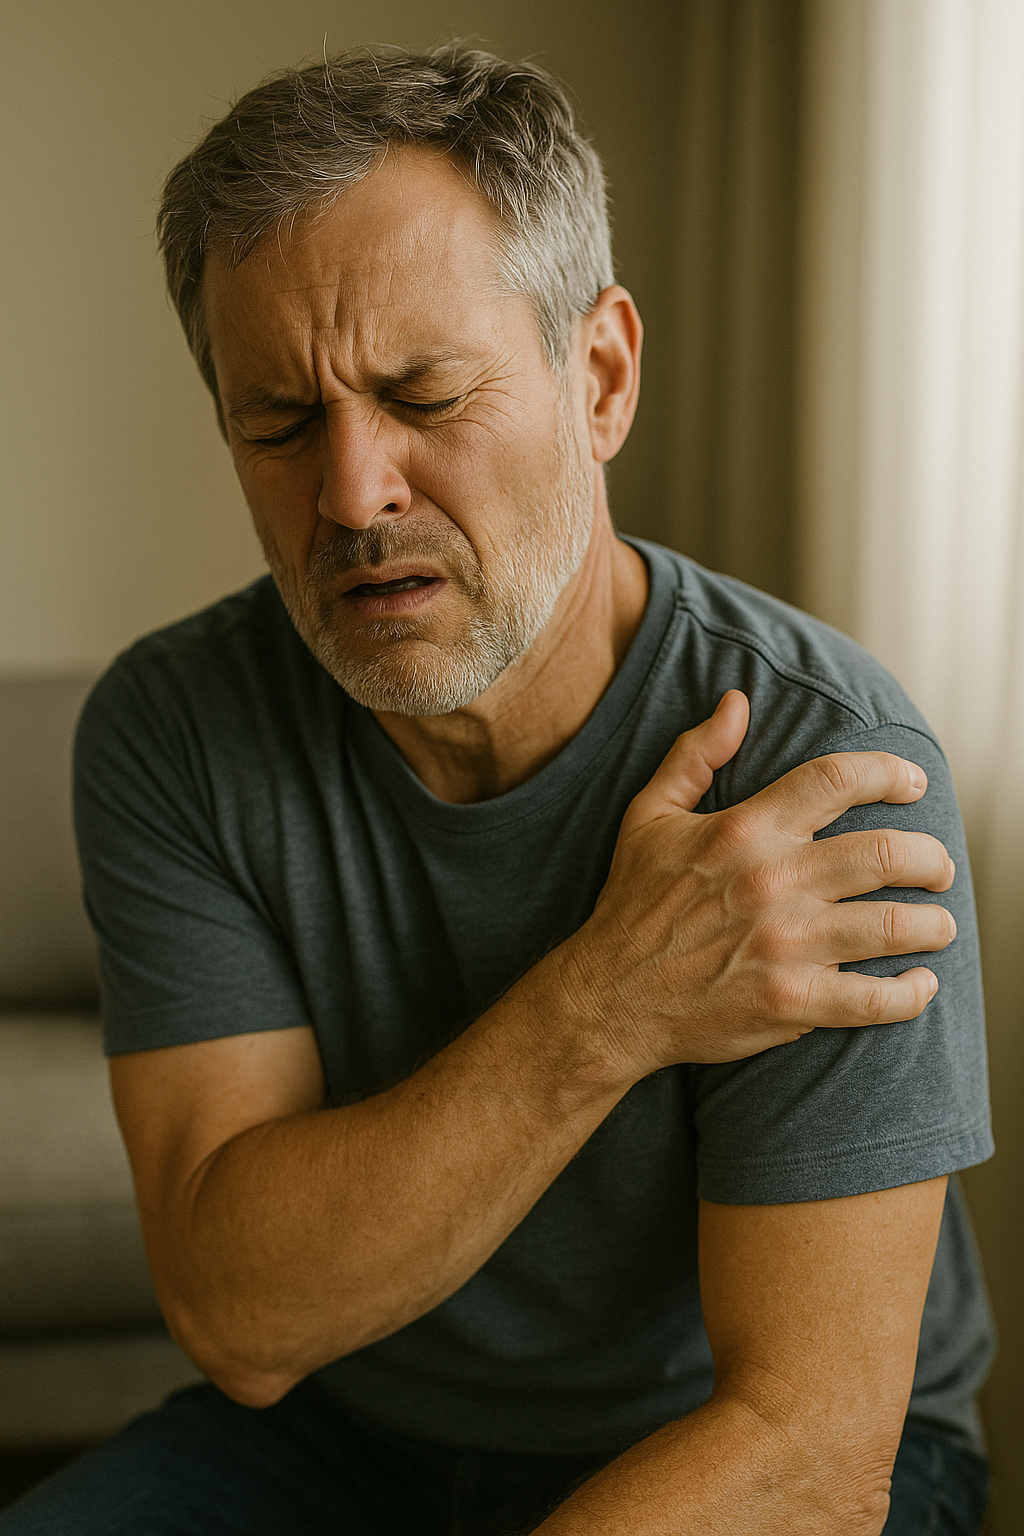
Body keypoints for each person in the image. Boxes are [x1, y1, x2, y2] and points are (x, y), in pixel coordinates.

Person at [4, 44, 993, 1536]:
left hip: (739, 1460)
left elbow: (807, 1448)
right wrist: (613, 1000)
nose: (351, 492)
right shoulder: (173, 725)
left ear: (598, 378)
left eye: (426, 394)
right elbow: (242, 1318)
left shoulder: (824, 766)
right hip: (348, 1440)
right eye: (280, 423)